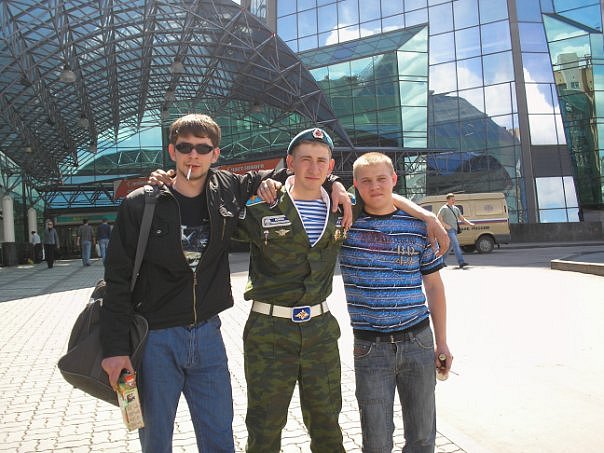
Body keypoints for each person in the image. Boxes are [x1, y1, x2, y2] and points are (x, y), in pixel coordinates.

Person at [100, 114, 351, 453]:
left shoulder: (227, 191)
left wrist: (335, 183)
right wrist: (115, 348)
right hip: (157, 338)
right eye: (185, 147)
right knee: (156, 438)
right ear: (172, 151)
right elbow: (116, 279)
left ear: (215, 154)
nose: (194, 155)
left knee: (219, 436)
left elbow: (298, 169)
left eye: (203, 148)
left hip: (208, 335)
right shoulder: (142, 204)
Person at [235, 129, 448, 452]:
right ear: (290, 162)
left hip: (319, 332)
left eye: (321, 161)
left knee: (327, 426)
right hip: (269, 331)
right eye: (305, 159)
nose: (313, 167)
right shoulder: (262, 207)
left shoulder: (343, 209)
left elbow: (381, 195)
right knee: (264, 427)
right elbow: (213, 205)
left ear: (331, 166)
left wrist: (426, 214)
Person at [339, 152, 452, 453]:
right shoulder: (346, 225)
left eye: (381, 179)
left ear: (394, 180)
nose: (374, 186)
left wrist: (442, 342)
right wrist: (428, 214)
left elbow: (434, 287)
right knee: (376, 442)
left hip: (419, 341)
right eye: (366, 181)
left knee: (422, 438)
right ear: (355, 186)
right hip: (370, 347)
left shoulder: (419, 227)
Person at [437, 193, 474, 268]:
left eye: (454, 199)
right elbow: (438, 218)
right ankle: (461, 262)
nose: (454, 201)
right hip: (448, 230)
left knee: (449, 247)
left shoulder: (456, 209)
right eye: (452, 199)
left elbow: (462, 219)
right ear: (448, 200)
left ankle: (441, 261)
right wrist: (446, 226)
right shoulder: (444, 208)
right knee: (456, 245)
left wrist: (469, 223)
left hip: (454, 230)